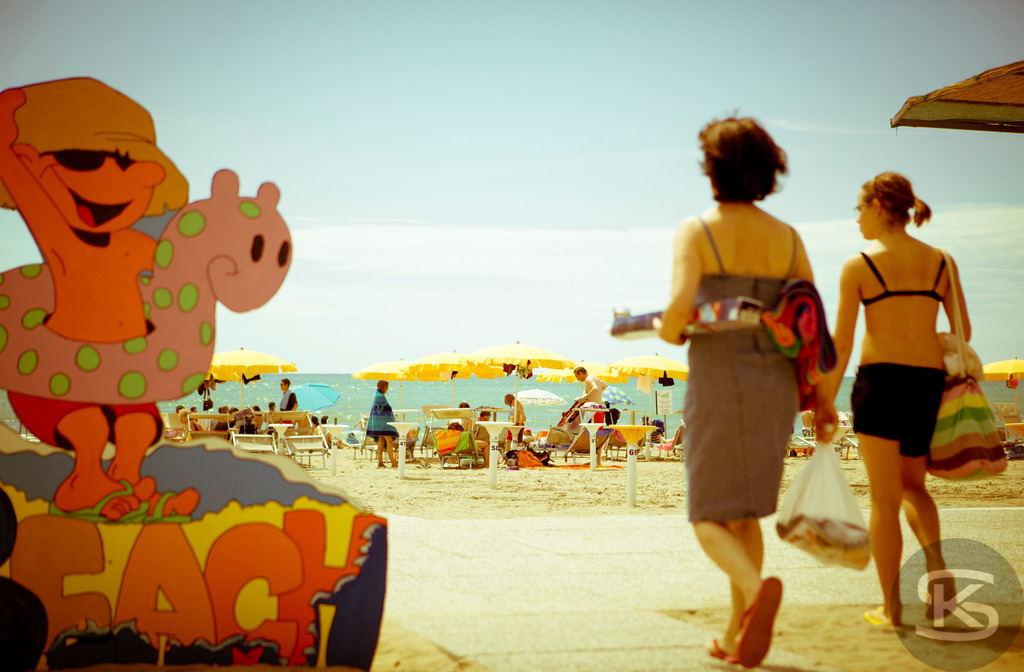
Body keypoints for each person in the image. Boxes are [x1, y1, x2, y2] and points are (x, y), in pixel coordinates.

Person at [657, 116, 814, 667]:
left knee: (705, 514)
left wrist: (667, 330)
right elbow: (810, 319)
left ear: (713, 169)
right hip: (774, 382)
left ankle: (755, 589)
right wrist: (817, 394)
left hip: (719, 376)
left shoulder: (697, 230)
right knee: (744, 514)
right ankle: (734, 636)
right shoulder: (787, 238)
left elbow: (678, 309)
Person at [816, 172, 964, 628]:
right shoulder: (941, 261)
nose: (856, 218)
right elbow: (963, 334)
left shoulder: (859, 265)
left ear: (879, 206)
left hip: (879, 384)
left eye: (859, 208)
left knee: (883, 500)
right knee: (913, 488)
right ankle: (940, 579)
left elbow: (841, 343)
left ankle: (892, 607)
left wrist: (823, 399)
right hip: (926, 384)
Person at [366, 380, 398, 468]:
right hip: (383, 424)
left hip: (378, 423)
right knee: (389, 442)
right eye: (387, 387)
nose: (388, 389)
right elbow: (387, 409)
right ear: (383, 387)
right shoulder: (380, 397)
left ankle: (380, 463)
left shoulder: (377, 396)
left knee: (381, 441)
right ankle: (393, 462)